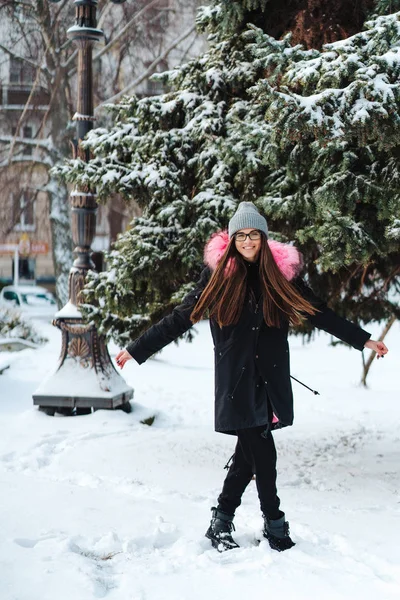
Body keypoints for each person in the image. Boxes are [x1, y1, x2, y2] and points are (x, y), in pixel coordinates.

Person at [116, 202, 388, 553]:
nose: (247, 241)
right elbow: (180, 318)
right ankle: (274, 526)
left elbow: (320, 313)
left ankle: (222, 520)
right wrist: (137, 350)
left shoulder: (281, 276)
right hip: (237, 383)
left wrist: (363, 340)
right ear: (232, 240)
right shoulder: (218, 277)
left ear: (263, 238)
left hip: (269, 380)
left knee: (249, 456)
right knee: (263, 454)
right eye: (240, 235)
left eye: (253, 235)